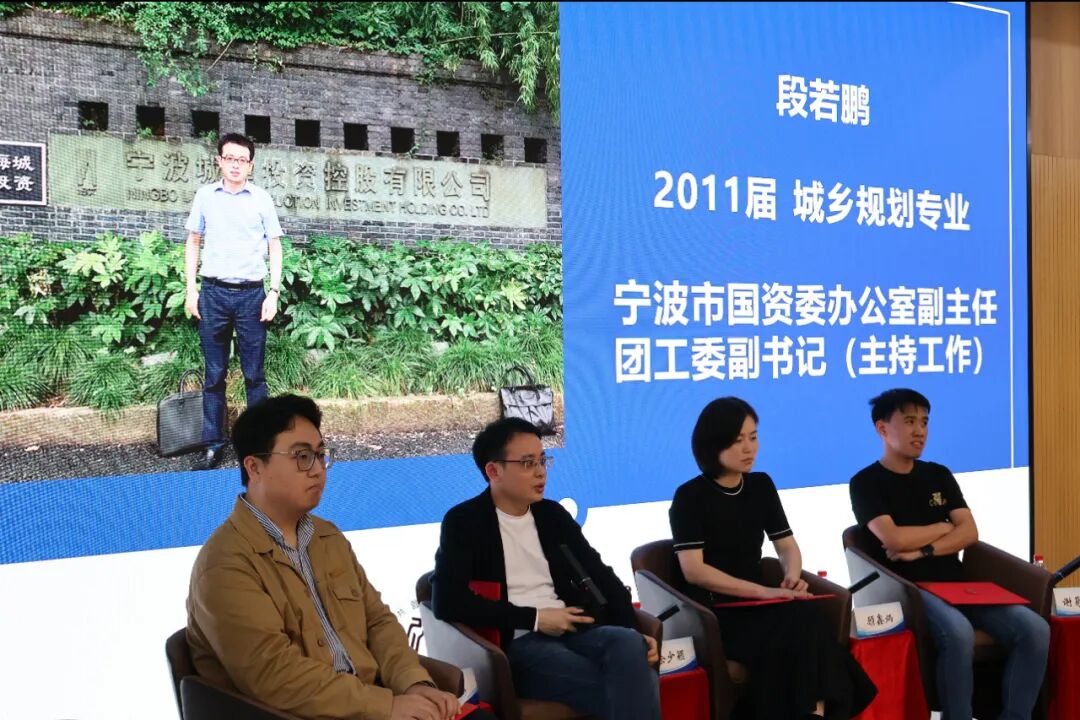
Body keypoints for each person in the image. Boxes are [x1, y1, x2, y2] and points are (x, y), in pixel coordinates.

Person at [186, 395, 491, 720]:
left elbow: (378, 622)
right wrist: (386, 706)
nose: (318, 470)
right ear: (254, 467)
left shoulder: (326, 537)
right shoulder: (225, 564)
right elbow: (274, 675)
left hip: (367, 702)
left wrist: (413, 683)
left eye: (320, 455)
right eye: (302, 457)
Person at [431, 417, 661, 720]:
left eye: (543, 460)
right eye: (528, 463)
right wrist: (537, 618)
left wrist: (634, 629)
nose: (541, 472)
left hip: (575, 629)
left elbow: (602, 576)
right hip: (521, 642)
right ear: (493, 471)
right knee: (626, 683)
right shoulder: (464, 522)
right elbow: (447, 601)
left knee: (628, 644)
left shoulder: (552, 515)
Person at [670, 396, 876, 720]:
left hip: (760, 605)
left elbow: (786, 546)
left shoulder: (760, 485)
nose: (749, 448)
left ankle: (815, 712)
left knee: (807, 617)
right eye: (737, 440)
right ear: (712, 445)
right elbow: (694, 570)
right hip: (717, 613)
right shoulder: (689, 496)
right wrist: (765, 592)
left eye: (753, 437)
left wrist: (791, 576)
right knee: (803, 626)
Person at [850, 388, 1049, 720]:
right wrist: (943, 527)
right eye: (909, 421)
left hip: (958, 585)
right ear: (882, 428)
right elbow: (893, 538)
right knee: (958, 633)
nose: (920, 431)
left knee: (1035, 629)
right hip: (908, 590)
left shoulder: (938, 474)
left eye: (925, 422)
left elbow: (969, 532)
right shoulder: (866, 482)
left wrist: (923, 549)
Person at [184, 132, 283, 470]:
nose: (236, 165)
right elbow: (193, 241)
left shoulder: (261, 199)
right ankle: (213, 444)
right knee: (214, 374)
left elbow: (274, 246)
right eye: (230, 158)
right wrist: (191, 290)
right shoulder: (205, 196)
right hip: (213, 293)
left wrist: (273, 291)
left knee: (254, 374)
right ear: (219, 161)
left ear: (250, 165)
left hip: (252, 295)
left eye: (242, 160)